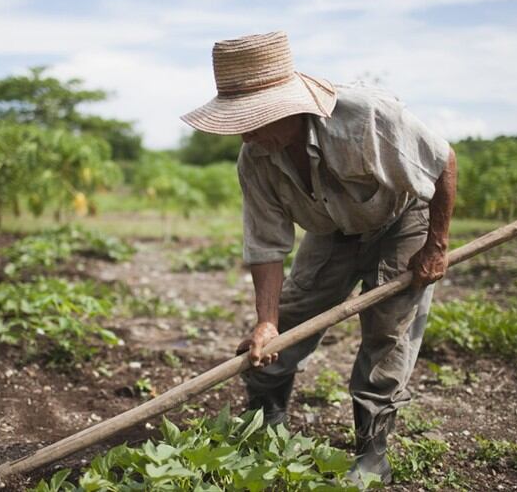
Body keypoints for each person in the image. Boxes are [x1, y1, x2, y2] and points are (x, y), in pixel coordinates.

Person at [180, 31, 456, 486]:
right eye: (238, 120)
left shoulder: (366, 117)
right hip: (331, 231)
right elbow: (266, 245)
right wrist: (266, 322)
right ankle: (266, 421)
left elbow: (443, 163)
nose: (245, 132)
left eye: (253, 118)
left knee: (388, 331)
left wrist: (436, 246)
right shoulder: (255, 158)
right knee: (287, 322)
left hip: (401, 218)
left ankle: (372, 453)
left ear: (288, 106)